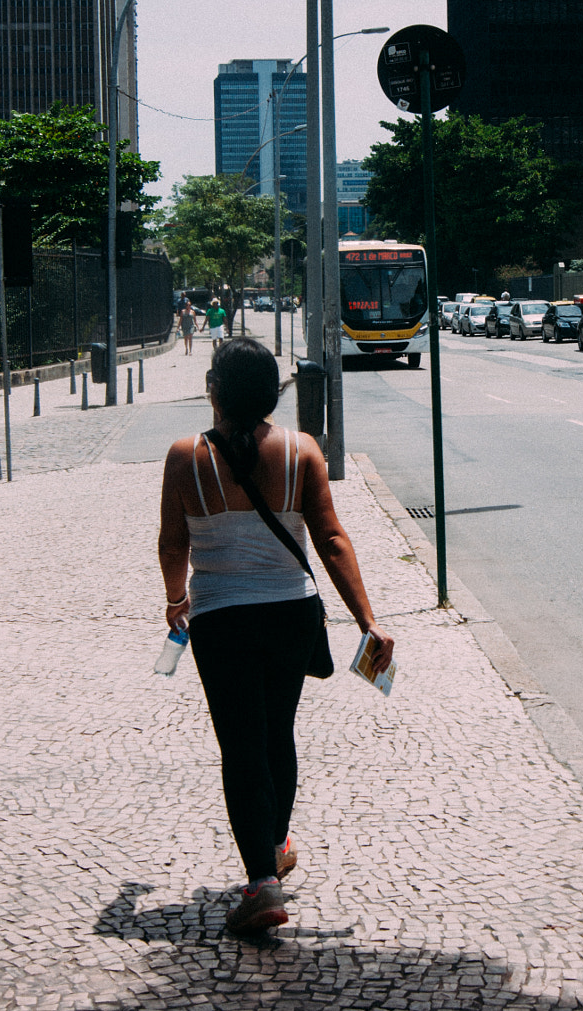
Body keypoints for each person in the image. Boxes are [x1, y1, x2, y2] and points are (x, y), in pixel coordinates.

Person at [157, 338, 395, 938]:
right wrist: (367, 620)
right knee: (277, 730)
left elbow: (172, 543)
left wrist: (175, 599)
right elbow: (331, 538)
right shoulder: (301, 451)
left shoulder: (185, 456)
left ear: (214, 390)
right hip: (292, 613)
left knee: (240, 744)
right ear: (271, 394)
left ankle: (262, 881)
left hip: (221, 620)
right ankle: (277, 839)